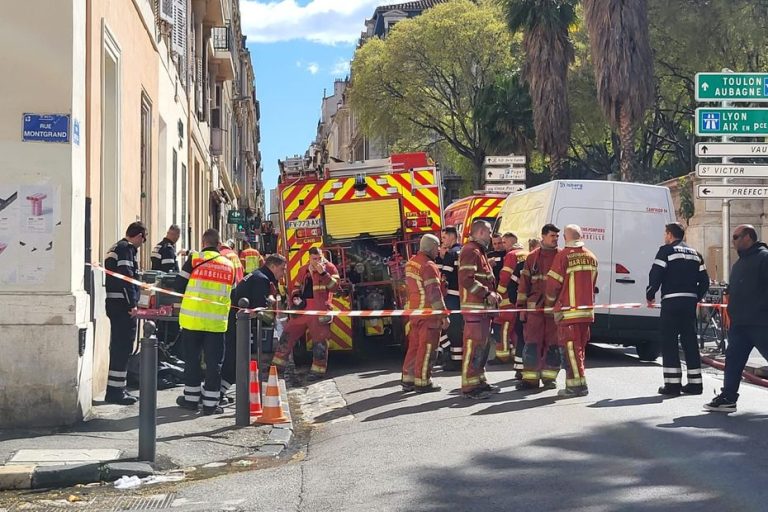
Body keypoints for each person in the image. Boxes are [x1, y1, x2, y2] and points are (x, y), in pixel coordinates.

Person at [706, 225, 768, 412]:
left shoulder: (764, 258)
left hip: (761, 322)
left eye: (735, 237)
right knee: (732, 360)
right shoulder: (739, 263)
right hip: (740, 324)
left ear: (748, 237)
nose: (732, 241)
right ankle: (728, 397)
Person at [175, 229, 236, 415]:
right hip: (216, 323)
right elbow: (232, 292)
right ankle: (210, 403)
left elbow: (179, 285)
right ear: (219, 245)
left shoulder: (194, 259)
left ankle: (191, 400)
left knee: (192, 360)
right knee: (214, 363)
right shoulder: (229, 265)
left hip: (192, 320)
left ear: (203, 243)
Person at [646, 222, 709, 396]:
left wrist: (650, 294)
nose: (664, 237)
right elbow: (705, 281)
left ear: (669, 234)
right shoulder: (696, 254)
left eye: (665, 234)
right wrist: (696, 296)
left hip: (671, 303)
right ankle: (695, 385)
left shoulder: (665, 251)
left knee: (670, 342)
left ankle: (672, 386)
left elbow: (656, 274)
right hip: (689, 304)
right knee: (690, 342)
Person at [221, 254, 287, 402]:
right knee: (234, 359)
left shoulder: (258, 275)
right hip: (236, 324)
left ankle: (219, 392)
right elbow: (260, 311)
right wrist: (269, 306)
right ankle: (217, 393)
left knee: (233, 359)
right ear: (273, 266)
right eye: (282, 269)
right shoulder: (261, 279)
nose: (283, 273)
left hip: (233, 321)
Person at [545, 225, 598, 398]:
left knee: (571, 352)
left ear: (566, 238)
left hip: (568, 314)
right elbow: (593, 284)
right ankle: (579, 384)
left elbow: (552, 286)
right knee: (579, 350)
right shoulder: (591, 257)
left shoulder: (563, 257)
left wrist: (552, 305)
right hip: (586, 313)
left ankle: (576, 387)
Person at [272, 247, 340, 381]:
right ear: (309, 258)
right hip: (302, 309)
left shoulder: (330, 268)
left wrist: (323, 274)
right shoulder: (303, 269)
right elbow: (296, 287)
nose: (317, 261)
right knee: (287, 335)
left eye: (319, 258)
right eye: (314, 259)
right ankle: (276, 368)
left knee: (319, 342)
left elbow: (335, 288)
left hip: (319, 310)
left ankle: (318, 371)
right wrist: (296, 298)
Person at [103, 221, 147, 405]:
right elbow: (127, 278)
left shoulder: (118, 246)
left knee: (119, 347)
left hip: (115, 304)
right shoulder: (126, 249)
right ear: (138, 236)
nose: (142, 244)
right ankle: (116, 392)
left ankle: (117, 388)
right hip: (122, 307)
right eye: (143, 240)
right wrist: (132, 305)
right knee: (123, 348)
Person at [401, 234, 449, 393]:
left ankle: (408, 379)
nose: (439, 250)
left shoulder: (411, 263)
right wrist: (443, 315)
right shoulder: (429, 266)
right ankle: (423, 381)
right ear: (431, 247)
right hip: (429, 315)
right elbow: (434, 294)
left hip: (415, 313)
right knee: (427, 348)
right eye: (437, 247)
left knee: (414, 347)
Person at [517, 224, 562, 390]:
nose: (556, 239)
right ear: (543, 237)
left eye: (557, 236)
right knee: (532, 343)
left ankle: (550, 378)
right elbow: (524, 284)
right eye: (552, 236)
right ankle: (530, 379)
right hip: (534, 309)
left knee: (553, 344)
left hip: (554, 309)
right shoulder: (532, 257)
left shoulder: (561, 256)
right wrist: (521, 307)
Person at [459, 220, 500, 399]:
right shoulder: (471, 251)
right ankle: (470, 386)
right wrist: (487, 294)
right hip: (475, 309)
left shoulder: (479, 252)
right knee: (474, 347)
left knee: (482, 347)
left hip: (482, 310)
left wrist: (492, 294)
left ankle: (479, 381)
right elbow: (466, 280)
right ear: (482, 232)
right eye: (490, 232)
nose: (491, 236)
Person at [494, 232, 526, 365]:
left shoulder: (511, 255)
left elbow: (505, 276)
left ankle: (503, 356)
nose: (503, 245)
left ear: (511, 242)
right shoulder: (527, 253)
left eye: (504, 242)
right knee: (517, 329)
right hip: (521, 297)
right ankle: (515, 353)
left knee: (504, 327)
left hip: (507, 299)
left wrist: (498, 295)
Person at [435, 227, 463, 371]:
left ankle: (456, 361)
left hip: (452, 296)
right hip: (465, 297)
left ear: (453, 237)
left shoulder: (451, 254)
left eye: (444, 238)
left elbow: (443, 277)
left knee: (453, 329)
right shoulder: (464, 251)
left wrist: (440, 257)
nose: (442, 241)